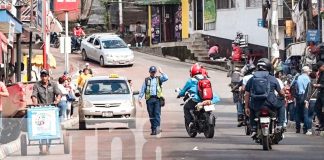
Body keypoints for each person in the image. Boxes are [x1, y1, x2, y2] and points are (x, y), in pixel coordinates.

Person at [244, 58, 286, 133]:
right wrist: (283, 97)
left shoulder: (252, 79)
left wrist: (246, 107)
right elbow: (281, 92)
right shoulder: (273, 79)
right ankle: (280, 125)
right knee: (282, 104)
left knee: (251, 108)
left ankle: (253, 126)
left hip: (256, 104)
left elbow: (247, 94)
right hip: (271, 103)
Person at [177, 63, 220, 129]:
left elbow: (183, 91)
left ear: (192, 72)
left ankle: (190, 123)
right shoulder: (205, 78)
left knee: (186, 107)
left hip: (197, 99)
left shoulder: (191, 80)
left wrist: (180, 94)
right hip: (209, 98)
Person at [31, 69, 62, 155]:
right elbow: (34, 95)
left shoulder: (54, 84)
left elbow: (58, 94)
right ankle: (41, 147)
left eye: (45, 76)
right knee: (39, 128)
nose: (44, 78)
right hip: (40, 109)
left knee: (51, 129)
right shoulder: (37, 85)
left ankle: (48, 147)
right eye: (42, 76)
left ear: (48, 76)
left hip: (51, 109)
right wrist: (35, 103)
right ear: (41, 77)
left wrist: (57, 100)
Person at [138, 66, 168, 135]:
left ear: (155, 72)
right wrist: (139, 98)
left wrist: (162, 72)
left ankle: (157, 129)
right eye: (152, 72)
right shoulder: (146, 80)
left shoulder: (159, 79)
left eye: (154, 72)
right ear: (150, 72)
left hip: (157, 99)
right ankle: (153, 129)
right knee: (151, 115)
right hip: (149, 99)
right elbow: (143, 89)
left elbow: (166, 78)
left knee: (157, 114)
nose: (153, 73)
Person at [294, 66, 311, 133]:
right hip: (305, 95)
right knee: (305, 113)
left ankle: (297, 128)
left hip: (298, 96)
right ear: (307, 71)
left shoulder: (299, 77)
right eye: (309, 71)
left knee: (298, 112)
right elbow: (308, 89)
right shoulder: (307, 78)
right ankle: (305, 129)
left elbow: (295, 86)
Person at [314, 61, 324, 131]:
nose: (319, 70)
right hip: (320, 94)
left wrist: (319, 85)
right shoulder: (321, 73)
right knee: (317, 108)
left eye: (319, 68)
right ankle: (321, 124)